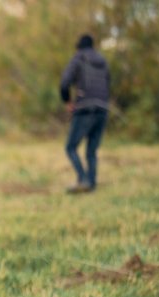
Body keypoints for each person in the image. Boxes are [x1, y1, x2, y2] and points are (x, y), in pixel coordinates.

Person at [60, 33, 110, 193]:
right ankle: (92, 183)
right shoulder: (103, 61)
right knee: (91, 150)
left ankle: (83, 180)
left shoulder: (79, 58)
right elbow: (108, 82)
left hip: (85, 108)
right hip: (103, 108)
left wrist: (68, 101)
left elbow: (64, 83)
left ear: (79, 47)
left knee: (70, 147)